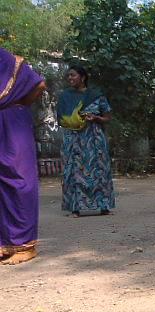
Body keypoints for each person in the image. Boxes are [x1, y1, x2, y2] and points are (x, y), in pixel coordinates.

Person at [0, 48, 46, 265]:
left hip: (13, 122)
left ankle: (26, 245)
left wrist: (14, 103)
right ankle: (5, 244)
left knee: (19, 180)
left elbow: (39, 84)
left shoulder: (8, 61)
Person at [57, 66, 115, 217]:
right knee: (74, 171)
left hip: (94, 138)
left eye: (73, 75)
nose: (70, 78)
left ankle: (103, 206)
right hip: (73, 139)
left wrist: (96, 118)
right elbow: (61, 119)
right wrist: (73, 120)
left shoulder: (96, 96)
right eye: (68, 76)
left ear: (82, 78)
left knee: (99, 170)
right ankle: (75, 207)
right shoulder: (64, 96)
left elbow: (108, 117)